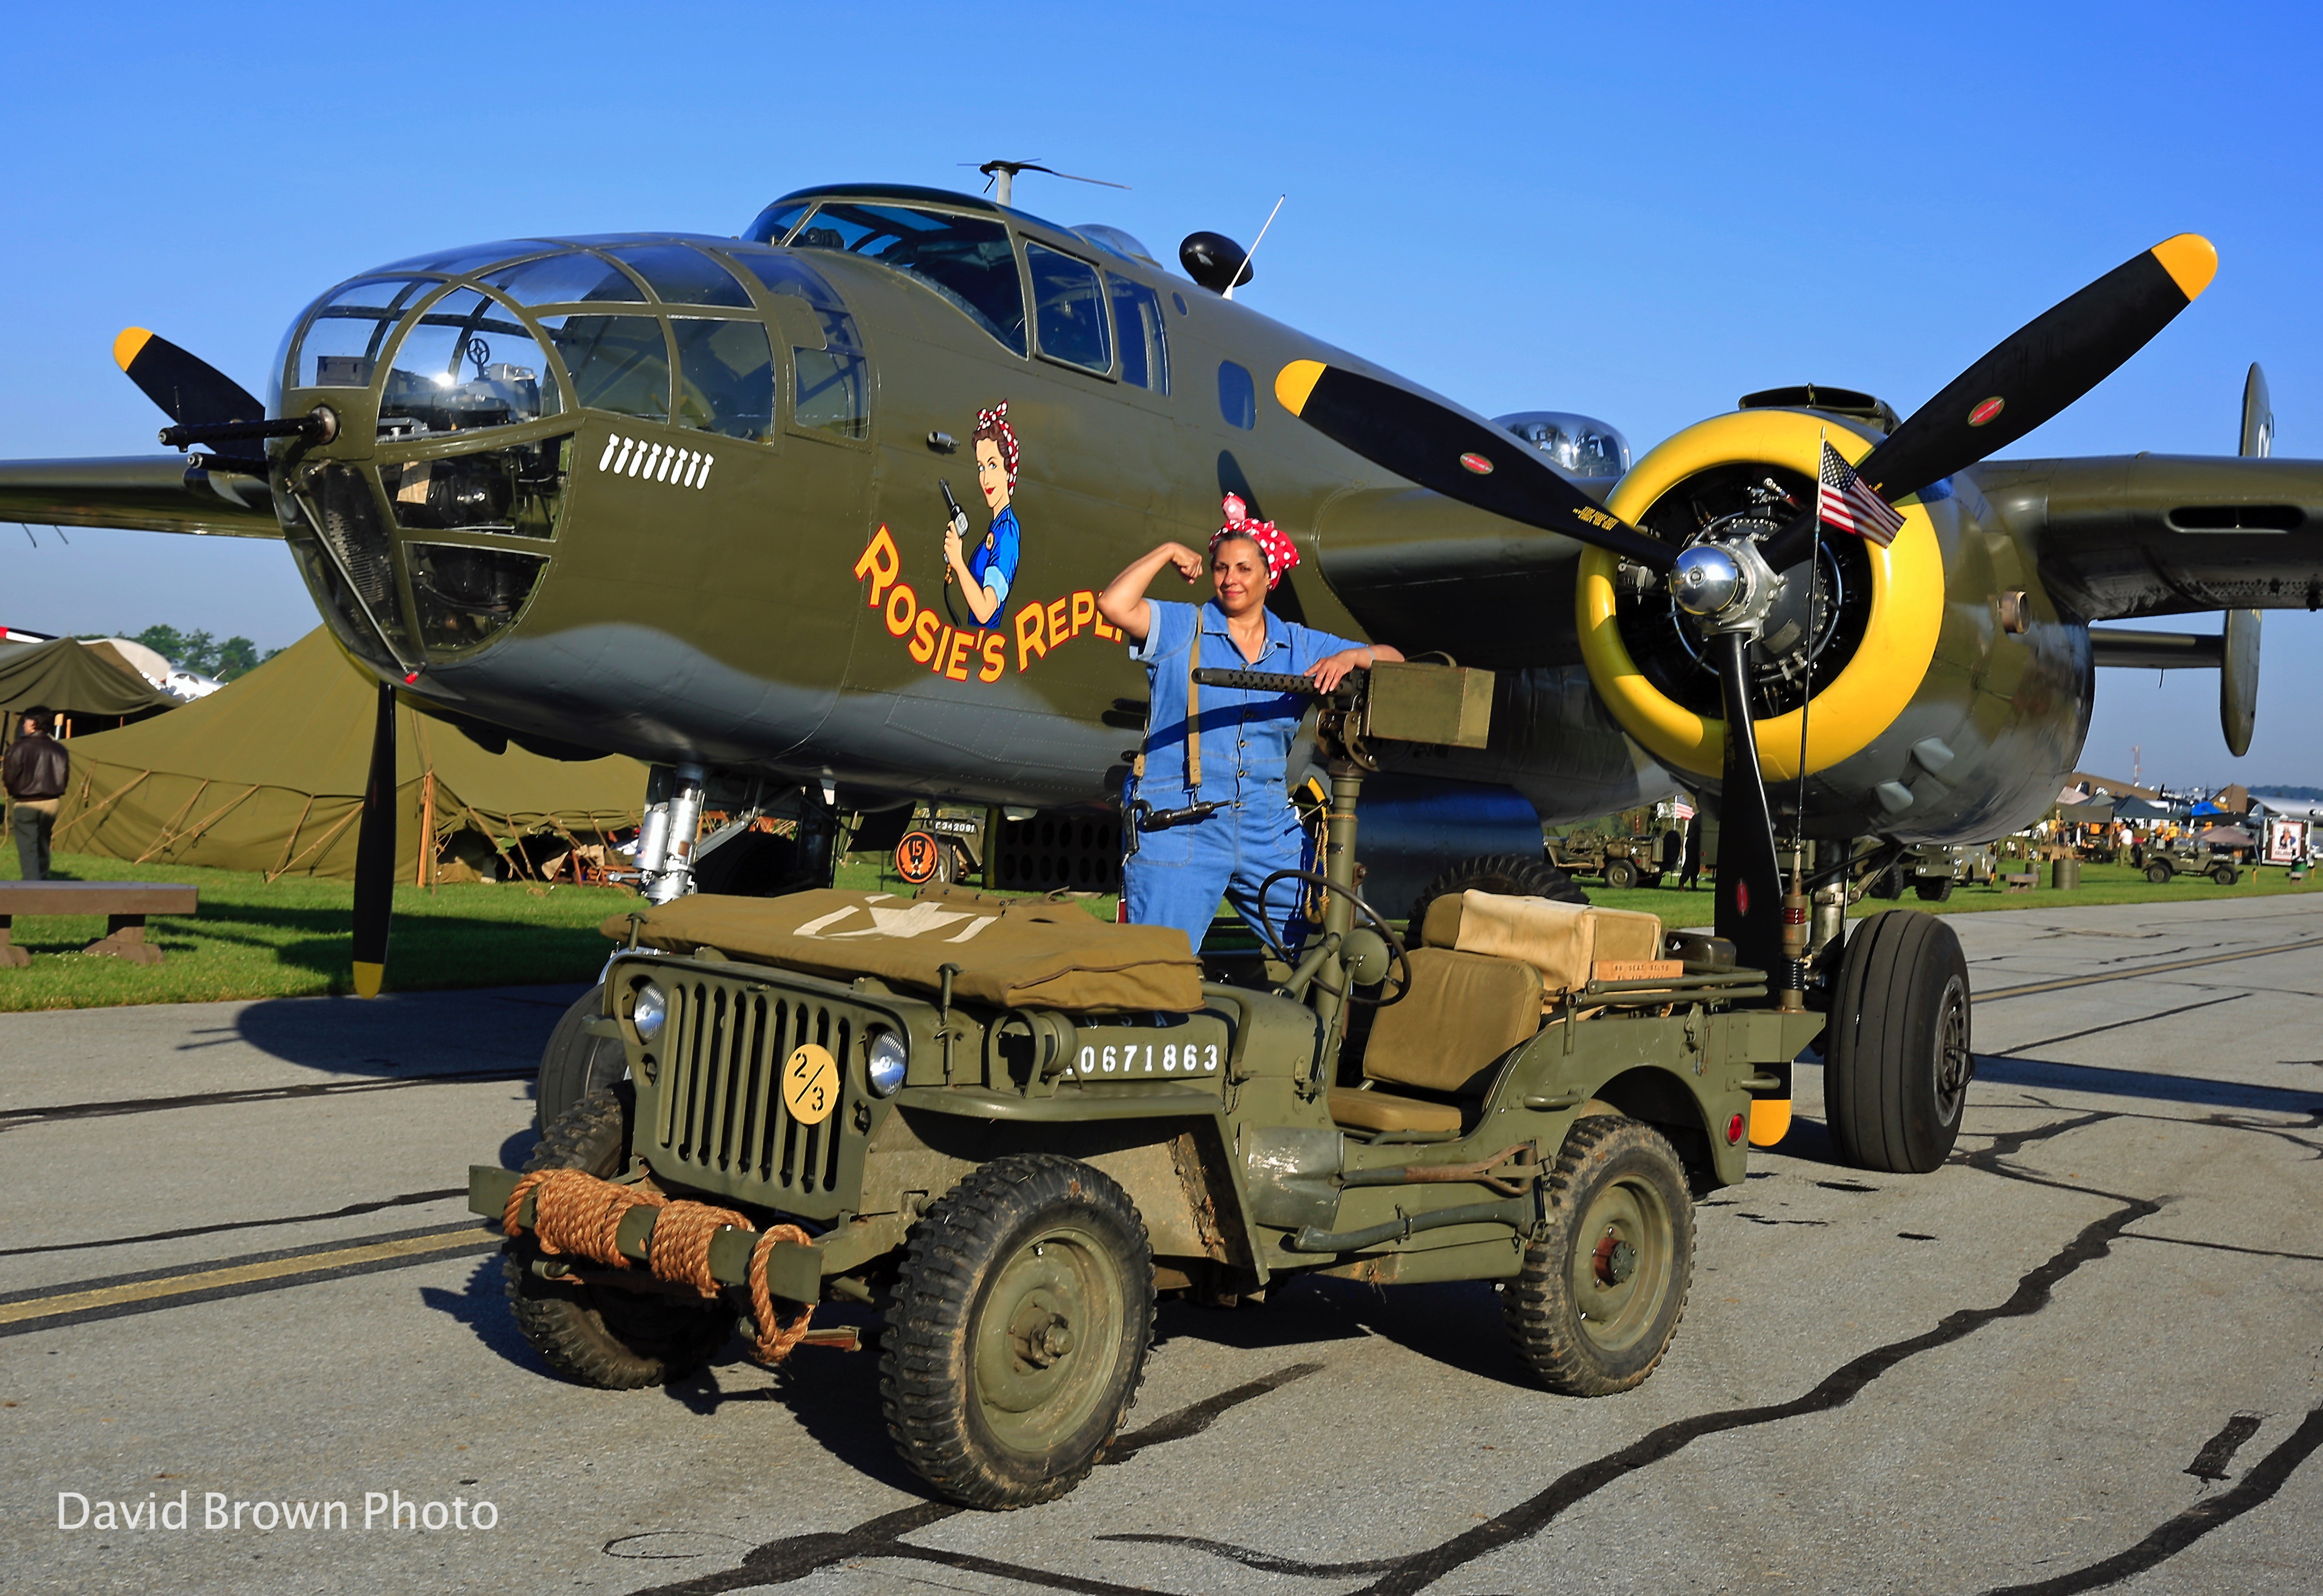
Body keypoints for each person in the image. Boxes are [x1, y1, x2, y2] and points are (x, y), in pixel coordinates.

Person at [1096, 496, 1404, 953]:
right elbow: (1114, 605)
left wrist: (1347, 657)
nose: (1230, 580)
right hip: (1181, 822)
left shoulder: (1299, 644)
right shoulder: (1185, 626)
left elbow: (1394, 660)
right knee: (1154, 973)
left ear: (1268, 576)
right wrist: (1165, 552)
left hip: (1267, 825)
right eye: (1221, 568)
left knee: (1332, 950)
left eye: (1243, 569)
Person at [942, 403, 1022, 628]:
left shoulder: (1007, 531)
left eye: (993, 465)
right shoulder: (996, 526)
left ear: (1009, 471)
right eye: (981, 467)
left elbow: (986, 610)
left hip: (986, 644)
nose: (985, 479)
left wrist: (957, 561)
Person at [5, 706, 69, 882]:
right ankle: (43, 879)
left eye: (26, 721)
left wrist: (14, 792)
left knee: (28, 846)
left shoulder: (18, 748)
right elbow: (64, 777)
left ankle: (33, 888)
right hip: (52, 802)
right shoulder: (60, 749)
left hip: (26, 802)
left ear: (33, 723)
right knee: (43, 842)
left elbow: (9, 777)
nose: (24, 724)